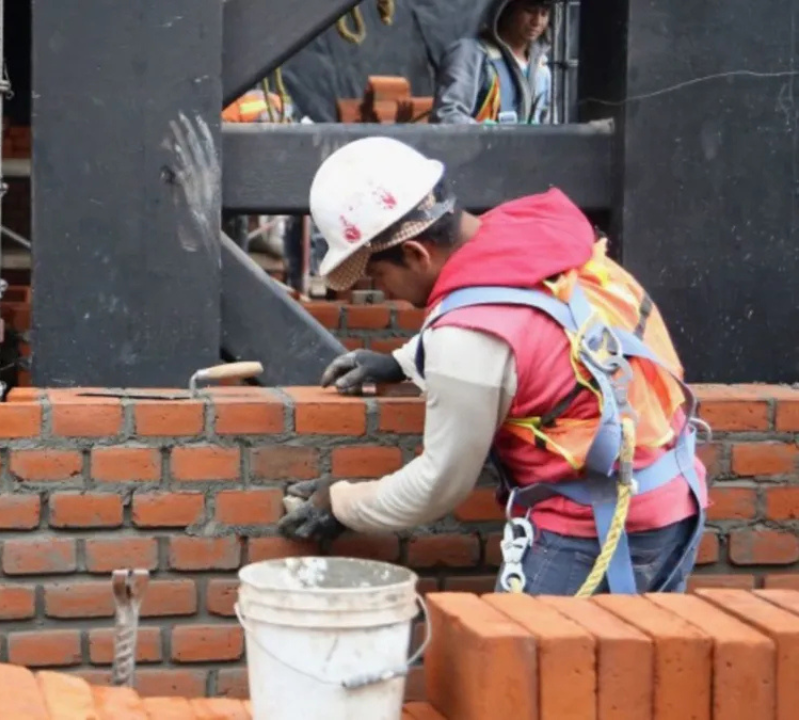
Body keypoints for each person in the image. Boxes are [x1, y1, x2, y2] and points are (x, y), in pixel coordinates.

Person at [278, 137, 708, 596]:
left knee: (516, 663)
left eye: (378, 275)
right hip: (672, 494)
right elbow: (543, 327)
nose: (383, 292)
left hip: (597, 529)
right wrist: (403, 362)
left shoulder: (467, 337)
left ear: (415, 254)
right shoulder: (527, 236)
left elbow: (438, 484)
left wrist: (339, 504)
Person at [430, 0, 553, 125]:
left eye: (544, 14)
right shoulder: (471, 55)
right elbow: (446, 116)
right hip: (476, 144)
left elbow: (548, 123)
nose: (537, 22)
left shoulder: (541, 68)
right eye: (529, 11)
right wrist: (485, 133)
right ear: (507, 11)